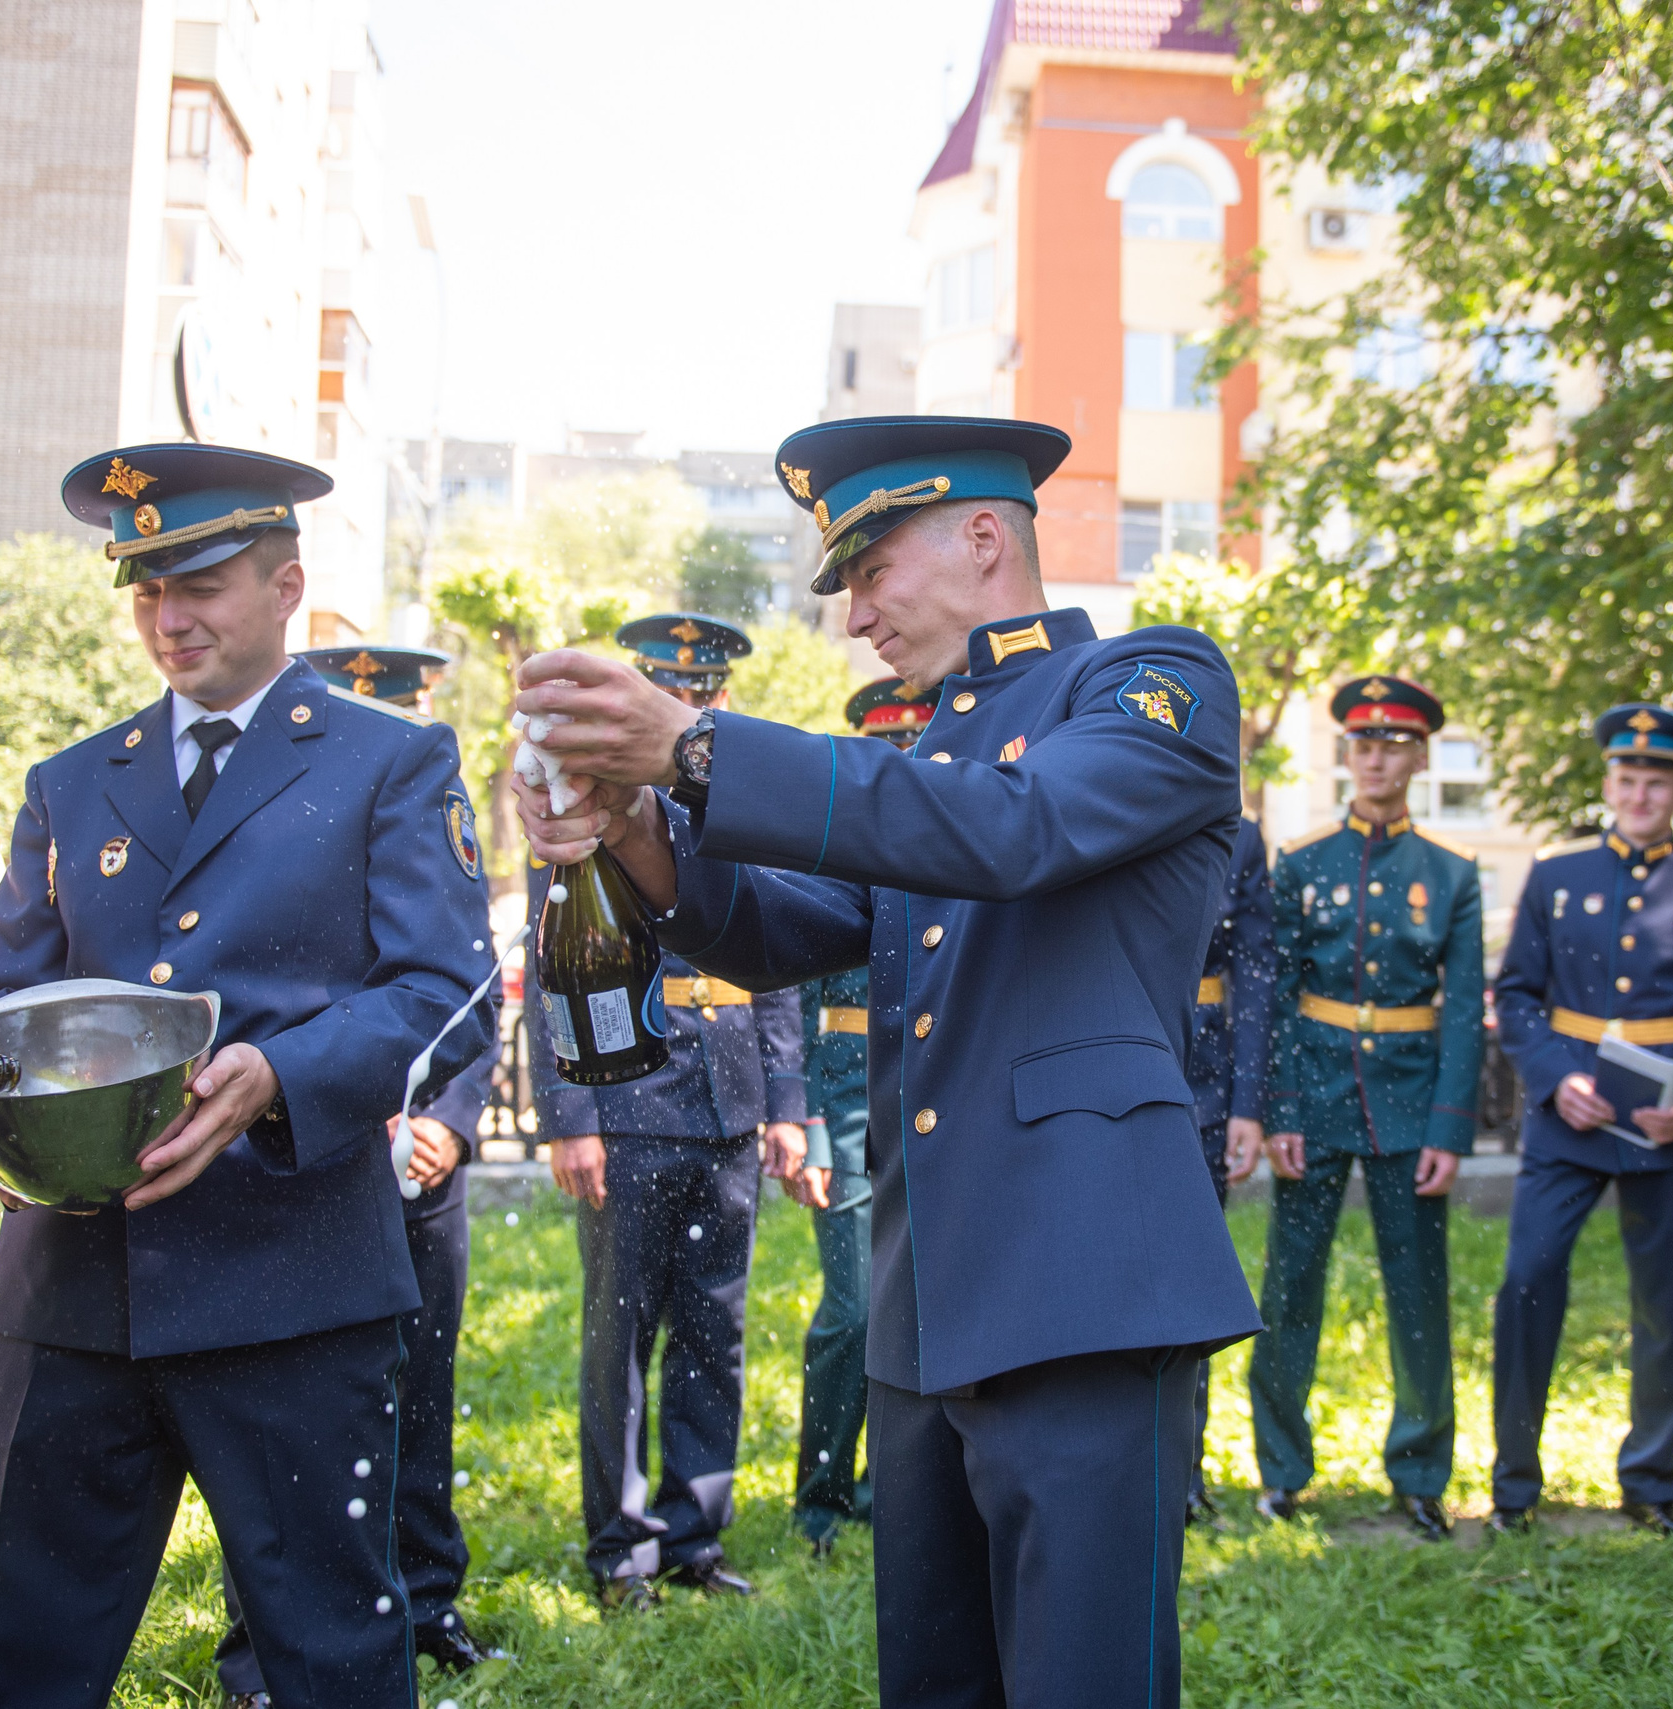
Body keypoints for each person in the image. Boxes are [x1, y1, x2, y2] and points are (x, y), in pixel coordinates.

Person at [513, 416, 1260, 1708]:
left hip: (1086, 1283)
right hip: (927, 1300)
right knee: (936, 1681)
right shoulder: (933, 759)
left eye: (871, 569)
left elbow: (1021, 830)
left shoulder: (1158, 682)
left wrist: (695, 746)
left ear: (983, 537)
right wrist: (634, 825)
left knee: (1084, 1682)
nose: (856, 615)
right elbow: (778, 930)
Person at [0, 445, 497, 1705]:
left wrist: (281, 1073)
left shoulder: (389, 761)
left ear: (287, 583)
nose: (169, 617)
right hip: (77, 1284)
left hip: (291, 1281)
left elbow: (448, 990)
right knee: (31, 1647)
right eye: (145, 590)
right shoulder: (74, 779)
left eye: (200, 584)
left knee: (329, 1648)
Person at [208, 645, 499, 1697]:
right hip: (307, 1151)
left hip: (426, 1164)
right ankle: (260, 1638)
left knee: (420, 1386)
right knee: (287, 1412)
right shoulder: (291, 812)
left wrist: (451, 1127)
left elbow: (467, 1000)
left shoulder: (416, 793)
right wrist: (350, 1114)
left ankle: (425, 1593)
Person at [529, 612, 807, 1608]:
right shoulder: (581, 801)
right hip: (629, 1097)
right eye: (671, 686)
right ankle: (621, 1548)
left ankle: (695, 1534)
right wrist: (570, 1112)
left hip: (730, 1102)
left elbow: (776, 971)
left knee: (714, 1328)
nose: (694, 703)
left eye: (707, 692)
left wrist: (788, 1102)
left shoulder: (749, 808)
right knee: (621, 1336)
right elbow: (551, 961)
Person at [1489, 703, 1673, 1537]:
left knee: (1661, 1303)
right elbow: (1518, 995)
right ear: (1608, 781)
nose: (1640, 793)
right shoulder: (1556, 873)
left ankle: (1650, 1481)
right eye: (1627, 777)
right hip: (1569, 1115)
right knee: (1528, 1280)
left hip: (1663, 1124)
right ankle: (1514, 1483)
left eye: (1658, 781)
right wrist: (1553, 1077)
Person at [1245, 676, 1478, 1541]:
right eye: (1361, 743)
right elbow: (1278, 992)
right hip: (1314, 1094)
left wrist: (1452, 1126)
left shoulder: (1449, 873)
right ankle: (1281, 1467)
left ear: (1419, 757)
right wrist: (1280, 1111)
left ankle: (1421, 1472)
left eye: (1392, 744)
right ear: (1345, 754)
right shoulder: (1303, 862)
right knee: (1289, 1285)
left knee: (1419, 1293)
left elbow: (1462, 1006)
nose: (1375, 758)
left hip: (1412, 1106)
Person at [789, 676, 933, 1557]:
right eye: (887, 744)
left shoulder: (951, 841)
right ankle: (822, 1490)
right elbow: (793, 998)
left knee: (915, 1300)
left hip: (926, 1093)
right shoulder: (828, 845)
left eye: (914, 740)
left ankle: (898, 1487)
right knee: (851, 1305)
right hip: (843, 1096)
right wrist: (803, 1113)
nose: (903, 756)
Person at [1184, 809, 1271, 1521]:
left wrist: (1249, 1101)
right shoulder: (1097, 790)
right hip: (1103, 1063)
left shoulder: (1239, 836)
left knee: (1191, 1278)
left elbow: (1255, 972)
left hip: (1203, 1082)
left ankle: (1183, 1464)